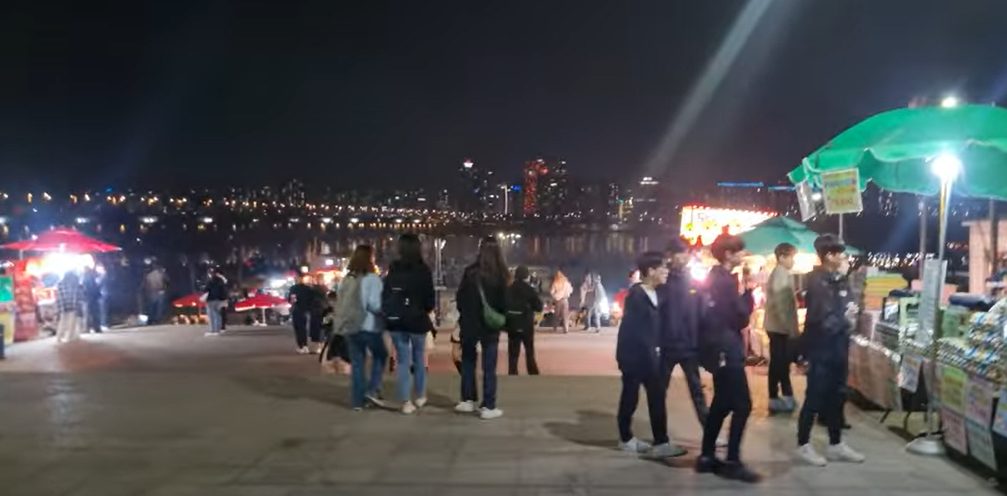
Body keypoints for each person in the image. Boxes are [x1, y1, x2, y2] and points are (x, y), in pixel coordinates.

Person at [794, 234, 865, 466]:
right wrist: (845, 320)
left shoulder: (840, 279)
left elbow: (851, 306)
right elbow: (822, 318)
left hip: (839, 347)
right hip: (821, 349)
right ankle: (803, 444)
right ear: (829, 256)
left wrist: (850, 315)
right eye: (841, 253)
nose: (845, 257)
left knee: (838, 395)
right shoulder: (816, 281)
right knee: (814, 397)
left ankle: (836, 444)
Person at [696, 234, 759, 483]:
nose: (743, 255)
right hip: (726, 349)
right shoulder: (723, 282)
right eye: (739, 251)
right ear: (728, 254)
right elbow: (739, 317)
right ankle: (732, 461)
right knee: (743, 405)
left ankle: (707, 456)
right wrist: (749, 292)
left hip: (718, 348)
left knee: (722, 404)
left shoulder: (716, 278)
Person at [616, 252, 685, 458]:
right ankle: (626, 439)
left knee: (656, 396)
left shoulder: (659, 293)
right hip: (634, 356)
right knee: (630, 397)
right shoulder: (636, 297)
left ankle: (661, 441)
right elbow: (632, 332)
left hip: (651, 357)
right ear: (650, 271)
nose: (666, 271)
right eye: (662, 268)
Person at [660, 238, 712, 442]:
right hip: (666, 346)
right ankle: (660, 437)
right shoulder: (663, 281)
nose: (684, 257)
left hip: (690, 346)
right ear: (670, 255)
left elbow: (701, 312)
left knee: (697, 391)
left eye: (686, 253)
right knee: (659, 393)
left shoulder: (692, 281)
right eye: (679, 253)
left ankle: (710, 433)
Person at [454, 236, 508, 420]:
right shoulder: (501, 274)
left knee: (468, 361)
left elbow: (460, 298)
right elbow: (504, 303)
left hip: (469, 323)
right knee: (489, 366)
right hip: (490, 326)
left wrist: (466, 314)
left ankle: (467, 399)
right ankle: (488, 405)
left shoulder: (470, 272)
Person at [383, 233, 436, 415]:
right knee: (419, 358)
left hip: (397, 320)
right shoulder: (423, 270)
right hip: (417, 320)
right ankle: (420, 395)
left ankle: (405, 401)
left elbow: (386, 294)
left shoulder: (394, 268)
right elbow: (430, 300)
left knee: (402, 361)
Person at [342, 245, 388, 410]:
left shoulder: (347, 279)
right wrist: (385, 313)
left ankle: (357, 401)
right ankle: (372, 389)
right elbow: (374, 304)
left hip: (350, 326)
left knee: (357, 363)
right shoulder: (372, 279)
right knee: (380, 355)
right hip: (369, 325)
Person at [766, 242, 799, 413]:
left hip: (778, 326)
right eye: (791, 257)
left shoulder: (782, 273)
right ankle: (780, 396)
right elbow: (781, 305)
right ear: (782, 257)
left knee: (779, 363)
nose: (793, 261)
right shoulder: (780, 274)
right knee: (780, 363)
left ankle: (782, 395)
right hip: (779, 327)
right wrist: (790, 328)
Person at [507, 265, 544, 375]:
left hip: (512, 323)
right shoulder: (529, 290)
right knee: (529, 351)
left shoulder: (509, 289)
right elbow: (539, 307)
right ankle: (532, 372)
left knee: (513, 352)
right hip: (526, 323)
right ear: (526, 276)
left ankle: (512, 372)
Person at [287, 275, 323, 354]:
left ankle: (302, 346)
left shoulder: (293, 288)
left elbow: (292, 300)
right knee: (305, 329)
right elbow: (313, 299)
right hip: (307, 311)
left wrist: (293, 302)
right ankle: (306, 346)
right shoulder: (309, 289)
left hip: (297, 310)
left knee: (299, 329)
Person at [55, 271, 84, 343]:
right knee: (72, 322)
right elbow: (79, 295)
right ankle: (69, 337)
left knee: (62, 321)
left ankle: (58, 338)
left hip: (63, 305)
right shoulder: (75, 284)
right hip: (73, 305)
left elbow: (58, 296)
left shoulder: (60, 284)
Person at [204, 267, 229, 336]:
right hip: (219, 300)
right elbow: (224, 288)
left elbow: (206, 289)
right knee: (218, 315)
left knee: (212, 315)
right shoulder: (220, 280)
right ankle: (218, 329)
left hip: (211, 299)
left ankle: (213, 330)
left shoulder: (210, 281)